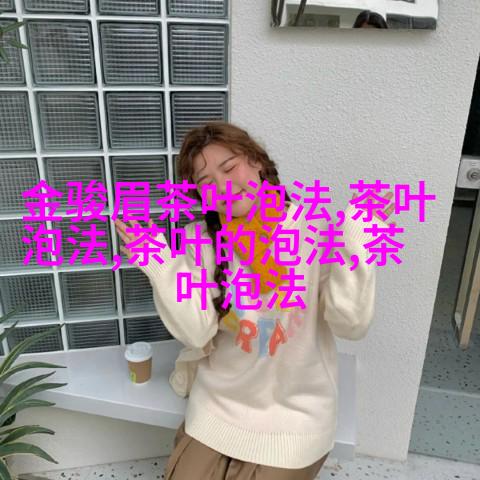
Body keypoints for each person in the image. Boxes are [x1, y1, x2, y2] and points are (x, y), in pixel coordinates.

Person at [114, 122, 396, 479]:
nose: (223, 187)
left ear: (256, 162)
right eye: (206, 182)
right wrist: (161, 264)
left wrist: (359, 243)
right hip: (219, 405)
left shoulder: (312, 228)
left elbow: (350, 324)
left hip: (296, 416)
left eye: (229, 167)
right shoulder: (201, 240)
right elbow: (197, 333)